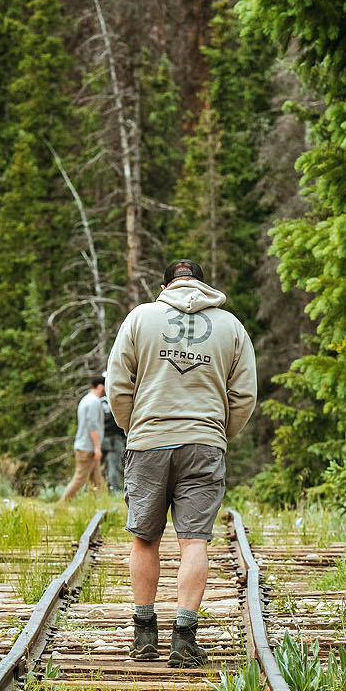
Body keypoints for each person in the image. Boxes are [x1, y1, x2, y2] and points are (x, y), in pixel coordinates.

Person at [105, 259, 257, 666]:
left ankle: (143, 636)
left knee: (144, 538)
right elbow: (244, 396)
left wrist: (132, 427)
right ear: (203, 286)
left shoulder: (140, 318)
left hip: (148, 441)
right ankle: (184, 639)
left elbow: (118, 383)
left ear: (165, 285)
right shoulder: (232, 327)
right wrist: (218, 434)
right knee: (195, 541)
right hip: (204, 442)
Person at [57, 375, 108, 504]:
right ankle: (61, 505)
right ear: (101, 386)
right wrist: (97, 447)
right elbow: (92, 425)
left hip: (87, 447)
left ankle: (99, 508)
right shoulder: (93, 402)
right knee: (80, 479)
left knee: (97, 481)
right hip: (87, 448)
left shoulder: (87, 400)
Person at [101, 392, 126, 493]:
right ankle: (116, 491)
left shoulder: (99, 401)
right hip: (115, 439)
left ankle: (90, 489)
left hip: (100, 439)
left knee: (94, 467)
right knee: (114, 466)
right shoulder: (116, 399)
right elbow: (121, 419)